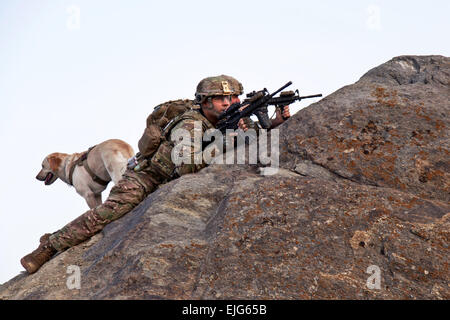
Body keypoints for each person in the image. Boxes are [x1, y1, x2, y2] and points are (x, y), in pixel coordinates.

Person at [20, 75, 291, 274]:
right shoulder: (189, 124)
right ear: (205, 102)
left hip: (170, 179)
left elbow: (248, 133)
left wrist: (274, 122)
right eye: (221, 99)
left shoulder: (227, 119)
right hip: (147, 175)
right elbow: (187, 166)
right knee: (110, 211)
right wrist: (230, 142)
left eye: (233, 98)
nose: (229, 103)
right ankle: (50, 245)